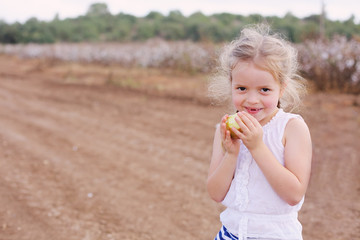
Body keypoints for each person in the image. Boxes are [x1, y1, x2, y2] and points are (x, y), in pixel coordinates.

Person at [207, 24, 312, 240]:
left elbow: (293, 194)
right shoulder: (225, 128)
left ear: (282, 88)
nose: (252, 100)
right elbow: (216, 193)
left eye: (264, 90)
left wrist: (257, 146)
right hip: (230, 234)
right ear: (231, 84)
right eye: (242, 88)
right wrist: (232, 154)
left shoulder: (292, 128)